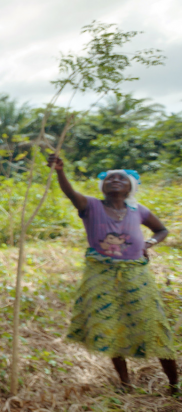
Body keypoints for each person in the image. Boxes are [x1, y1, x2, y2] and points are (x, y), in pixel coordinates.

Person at [47, 154, 178, 396]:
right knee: (112, 325)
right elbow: (69, 193)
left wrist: (147, 244)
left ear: (130, 187)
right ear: (103, 187)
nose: (115, 180)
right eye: (109, 178)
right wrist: (60, 172)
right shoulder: (90, 206)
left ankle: (174, 385)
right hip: (102, 275)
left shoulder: (138, 210)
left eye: (121, 178)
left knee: (155, 326)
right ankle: (126, 383)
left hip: (136, 275)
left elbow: (161, 229)